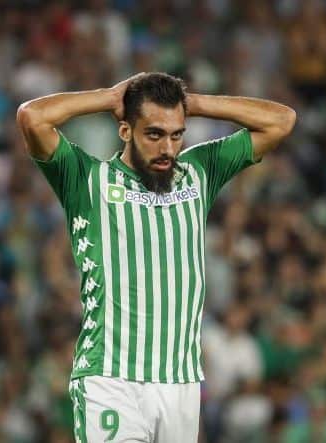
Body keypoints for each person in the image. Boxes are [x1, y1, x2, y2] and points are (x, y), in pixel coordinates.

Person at [17, 72, 296, 442]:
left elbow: (282, 121)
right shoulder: (87, 180)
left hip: (180, 382)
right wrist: (109, 96)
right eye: (154, 134)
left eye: (176, 134)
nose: (167, 148)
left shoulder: (199, 173)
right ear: (125, 131)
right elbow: (32, 117)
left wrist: (194, 103)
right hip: (111, 377)